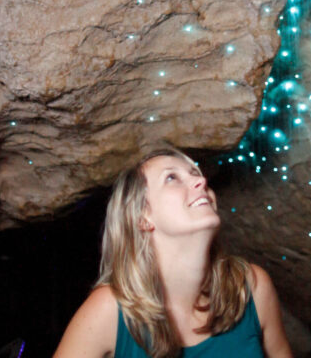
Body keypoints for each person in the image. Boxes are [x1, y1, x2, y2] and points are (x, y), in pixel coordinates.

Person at [54, 147, 293, 357]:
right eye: (172, 177)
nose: (201, 182)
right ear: (142, 217)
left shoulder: (251, 287)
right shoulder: (108, 310)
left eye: (196, 174)